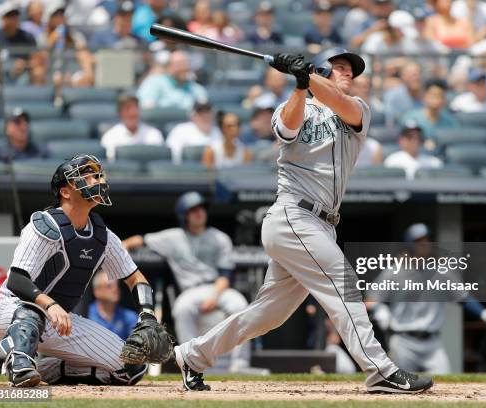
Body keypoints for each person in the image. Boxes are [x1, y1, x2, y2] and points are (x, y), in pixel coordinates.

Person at [173, 48, 434, 394]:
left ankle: (193, 354)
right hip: (293, 215)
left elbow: (343, 105)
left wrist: (306, 76)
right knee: (342, 281)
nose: (346, 74)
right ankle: (380, 369)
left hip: (321, 224)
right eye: (338, 68)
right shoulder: (297, 104)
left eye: (349, 71)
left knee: (268, 314)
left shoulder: (358, 110)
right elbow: (286, 129)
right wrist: (299, 85)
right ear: (322, 74)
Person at [0, 154, 169, 386]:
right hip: (14, 310)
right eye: (86, 177)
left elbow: (136, 279)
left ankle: (46, 370)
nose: (95, 180)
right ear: (65, 191)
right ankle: (20, 363)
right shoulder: (44, 225)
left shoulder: (103, 235)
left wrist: (147, 314)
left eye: (96, 175)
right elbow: (16, 280)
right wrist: (50, 305)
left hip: (60, 320)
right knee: (32, 313)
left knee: (131, 367)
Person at [122, 192, 254, 373]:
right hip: (190, 290)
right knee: (181, 309)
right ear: (184, 215)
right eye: (193, 210)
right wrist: (123, 246)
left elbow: (225, 275)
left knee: (240, 305)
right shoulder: (172, 237)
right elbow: (141, 239)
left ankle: (240, 364)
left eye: (201, 208)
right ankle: (192, 363)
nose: (199, 213)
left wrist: (215, 296)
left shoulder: (220, 237)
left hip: (218, 287)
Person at [367, 223, 486, 374]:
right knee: (401, 389)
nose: (425, 244)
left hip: (433, 343)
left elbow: (462, 296)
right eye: (419, 240)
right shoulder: (394, 271)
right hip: (403, 341)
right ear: (409, 244)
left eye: (427, 239)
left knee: (445, 383)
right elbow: (370, 299)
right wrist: (380, 309)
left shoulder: (441, 271)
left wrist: (482, 313)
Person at [137, 50, 208, 111]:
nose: (184, 67)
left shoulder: (196, 89)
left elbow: (204, 111)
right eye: (179, 64)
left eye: (186, 63)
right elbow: (146, 108)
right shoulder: (154, 83)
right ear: (168, 67)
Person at [100, 93, 164, 162]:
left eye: (135, 108)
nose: (133, 113)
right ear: (120, 113)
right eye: (128, 108)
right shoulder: (110, 137)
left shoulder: (154, 134)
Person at [401, 78, 459, 146]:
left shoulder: (450, 121)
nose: (437, 99)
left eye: (441, 96)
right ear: (424, 96)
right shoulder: (411, 117)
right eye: (434, 95)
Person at [88, 271, 138, 341]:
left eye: (116, 285)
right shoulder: (86, 314)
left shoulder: (130, 317)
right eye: (109, 286)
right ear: (97, 291)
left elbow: (136, 346)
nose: (115, 289)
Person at [383, 62, 423, 128]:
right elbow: (389, 123)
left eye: (418, 74)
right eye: (412, 75)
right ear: (403, 77)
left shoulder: (427, 96)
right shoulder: (392, 96)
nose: (416, 77)